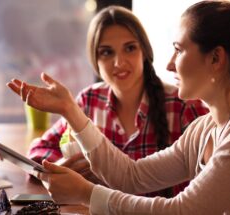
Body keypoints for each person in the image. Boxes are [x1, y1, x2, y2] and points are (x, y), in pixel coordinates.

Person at [7, 0, 230, 214]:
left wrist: (87, 194)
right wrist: (70, 109)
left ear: (216, 59)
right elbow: (131, 176)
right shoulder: (206, 128)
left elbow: (186, 210)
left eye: (179, 49)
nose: (168, 64)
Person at [26, 5, 208, 197]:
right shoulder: (88, 101)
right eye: (107, 52)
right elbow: (39, 148)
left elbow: (208, 184)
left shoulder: (183, 106)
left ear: (144, 52)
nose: (119, 62)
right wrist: (61, 167)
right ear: (95, 61)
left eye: (129, 48)